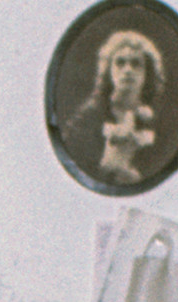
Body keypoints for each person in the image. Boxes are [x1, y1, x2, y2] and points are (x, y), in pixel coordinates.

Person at [70, 28, 164, 186]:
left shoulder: (157, 122)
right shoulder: (89, 117)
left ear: (147, 73)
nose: (128, 70)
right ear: (108, 70)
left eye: (136, 64)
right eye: (120, 62)